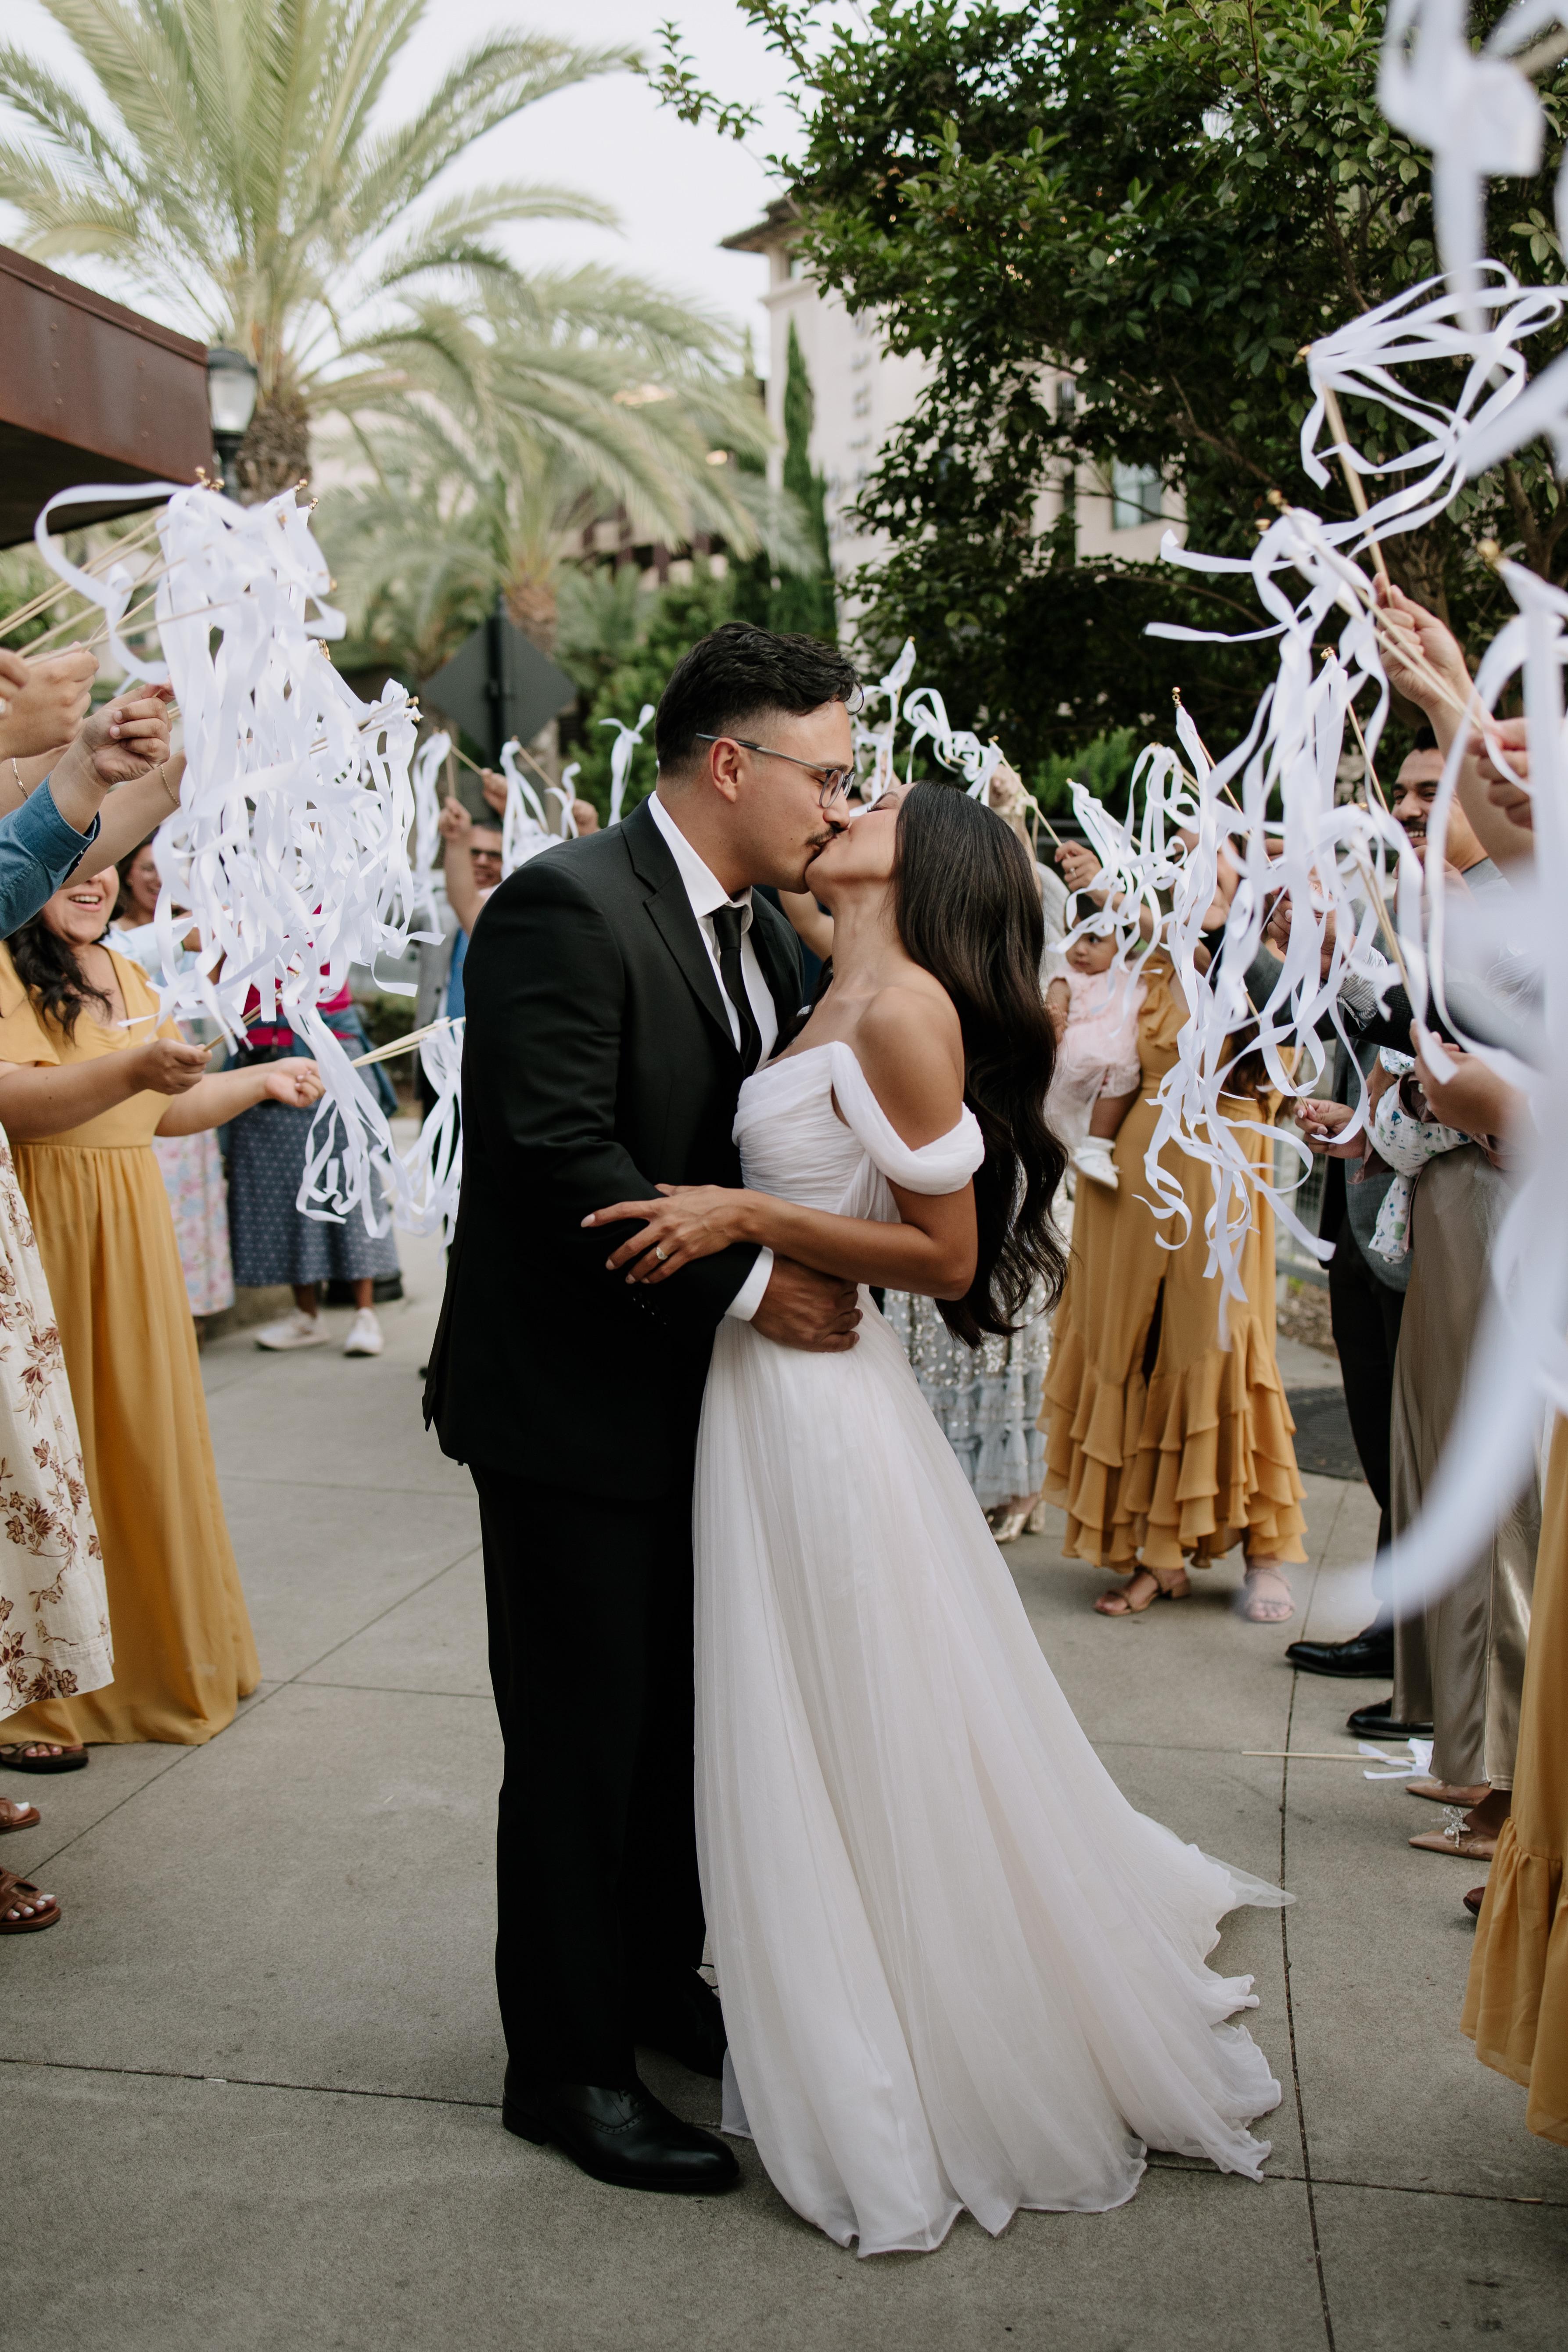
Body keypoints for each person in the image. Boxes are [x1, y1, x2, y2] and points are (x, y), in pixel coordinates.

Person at [582, 781, 1289, 2252]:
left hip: (822, 1408)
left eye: (876, 801)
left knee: (856, 1702)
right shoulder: (828, 975)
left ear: (932, 863)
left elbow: (949, 1256)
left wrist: (745, 1216)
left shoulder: (903, 1011)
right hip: (763, 1392)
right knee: (810, 1700)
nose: (843, 803)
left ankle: (901, 2011)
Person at [426, 624, 870, 2196]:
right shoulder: (567, 904)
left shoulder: (765, 934)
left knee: (681, 1722)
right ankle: (562, 2067)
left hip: (702, 1412)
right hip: (570, 1410)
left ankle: (647, 1978)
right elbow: (559, 1155)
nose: (840, 801)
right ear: (730, 762)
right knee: (578, 1744)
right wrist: (755, 1288)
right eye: (826, 772)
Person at [0, 866, 324, 1752]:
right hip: (42, 1228)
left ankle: (149, 1665)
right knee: (45, 1461)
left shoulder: (128, 973)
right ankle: (37, 1699)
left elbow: (162, 1111)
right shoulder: (4, 964)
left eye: (107, 860)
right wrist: (132, 1067)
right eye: (71, 863)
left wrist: (262, 1081)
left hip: (131, 1235)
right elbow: (15, 1105)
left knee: (141, 1441)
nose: (94, 880)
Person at [1041, 841, 1306, 1623]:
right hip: (1129, 1173)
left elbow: (1285, 1065)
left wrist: (1217, 936)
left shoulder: (1273, 967)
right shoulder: (1146, 961)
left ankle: (1263, 1552)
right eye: (1178, 864)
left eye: (1208, 867)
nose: (1189, 880)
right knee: (1131, 1340)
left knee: (1222, 1343)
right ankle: (1154, 1555)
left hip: (1220, 1168)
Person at [228, 970, 399, 1359]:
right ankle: (306, 1314)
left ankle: (365, 1313)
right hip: (261, 1050)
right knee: (282, 1188)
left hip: (330, 1043)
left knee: (351, 1178)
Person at [106, 839, 235, 1325]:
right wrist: (184, 936)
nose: (159, 878)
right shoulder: (110, 937)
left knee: (190, 1205)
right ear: (126, 873)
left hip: (187, 1086)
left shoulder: (197, 937)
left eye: (171, 870)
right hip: (133, 1092)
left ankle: (189, 1313)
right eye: (148, 868)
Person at [1044, 928, 1146, 1190]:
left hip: (1116, 1052)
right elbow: (1053, 1026)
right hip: (1078, 1055)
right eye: (1073, 936)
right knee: (1122, 1067)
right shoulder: (1066, 980)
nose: (1080, 950)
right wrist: (1052, 1025)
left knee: (1123, 1074)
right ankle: (1096, 1147)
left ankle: (1093, 1149)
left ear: (1124, 945)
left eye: (1093, 940)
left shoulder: (1135, 972)